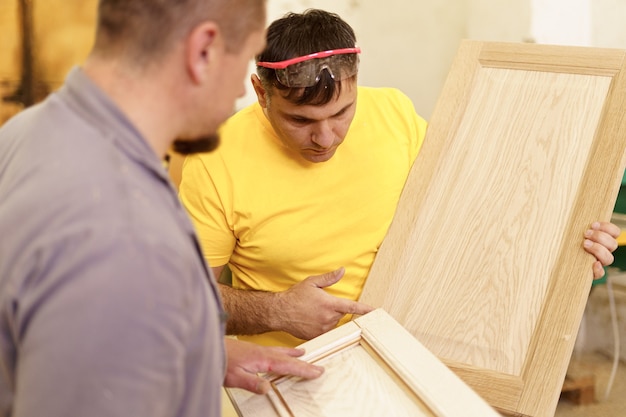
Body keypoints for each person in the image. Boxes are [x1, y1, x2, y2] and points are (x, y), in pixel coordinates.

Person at [178, 9, 621, 348]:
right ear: (261, 92)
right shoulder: (214, 158)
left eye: (341, 113)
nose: (326, 137)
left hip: (416, 348)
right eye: (301, 120)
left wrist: (570, 249)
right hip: (293, 373)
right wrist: (278, 311)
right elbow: (183, 301)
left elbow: (477, 212)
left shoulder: (394, 113)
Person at [0, 1, 325, 416]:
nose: (241, 93)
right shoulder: (128, 236)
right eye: (242, 59)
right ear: (203, 51)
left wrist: (194, 354)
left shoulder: (32, 131)